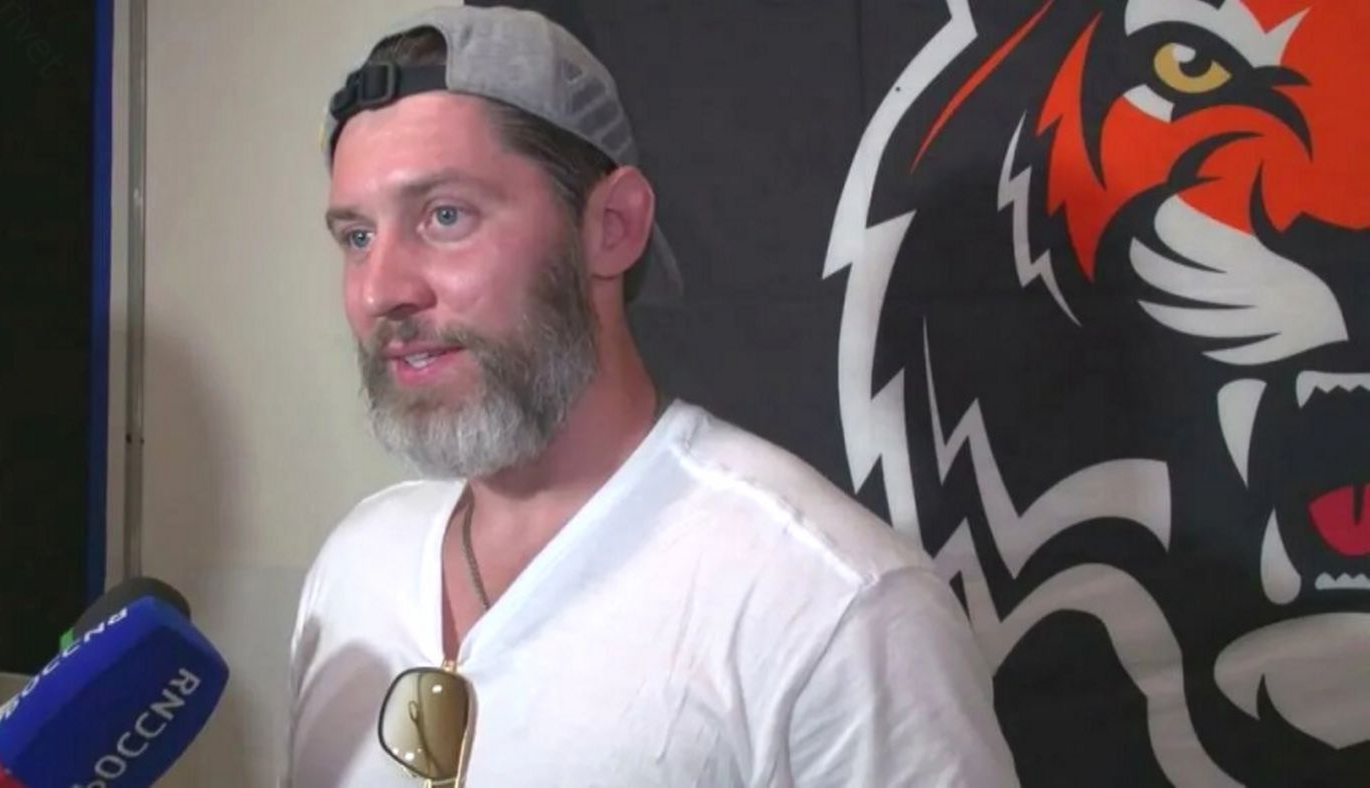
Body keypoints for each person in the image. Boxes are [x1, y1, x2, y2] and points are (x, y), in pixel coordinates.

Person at [288, 6, 1017, 786]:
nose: (381, 291)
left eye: (445, 216)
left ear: (613, 226)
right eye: (357, 237)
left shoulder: (833, 608)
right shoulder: (354, 570)